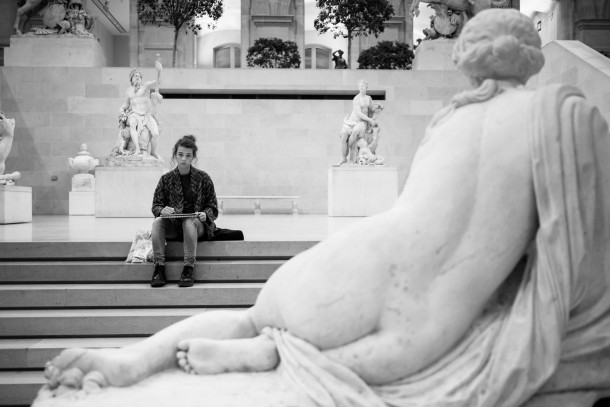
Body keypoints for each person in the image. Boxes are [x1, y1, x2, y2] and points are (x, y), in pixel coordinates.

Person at [40, 10, 610, 407]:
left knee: (254, 316)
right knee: (329, 347)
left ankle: (138, 361)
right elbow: (578, 256)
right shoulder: (564, 115)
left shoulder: (452, 117)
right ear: (532, 56)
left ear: (470, 59)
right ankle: (274, 357)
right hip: (419, 305)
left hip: (344, 259)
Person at [149, 135, 218, 288]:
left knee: (188, 222)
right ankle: (159, 267)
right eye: (180, 154)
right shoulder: (166, 179)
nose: (184, 159)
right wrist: (162, 210)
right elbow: (155, 206)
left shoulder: (203, 178)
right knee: (158, 222)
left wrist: (205, 214)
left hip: (196, 225)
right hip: (174, 225)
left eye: (188, 155)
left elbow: (213, 207)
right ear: (175, 155)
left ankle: (188, 268)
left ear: (193, 157)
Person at [120, 63, 163, 160]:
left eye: (139, 76)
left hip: (146, 115)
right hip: (134, 114)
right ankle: (137, 149)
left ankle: (153, 151)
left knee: (155, 133)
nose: (138, 78)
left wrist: (159, 71)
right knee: (132, 124)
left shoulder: (145, 87)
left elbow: (157, 82)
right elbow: (127, 104)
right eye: (135, 76)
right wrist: (122, 109)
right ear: (131, 79)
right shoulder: (129, 91)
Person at [336, 79, 376, 166]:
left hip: (361, 122)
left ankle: (349, 147)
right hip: (351, 121)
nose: (361, 88)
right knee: (343, 137)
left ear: (366, 87)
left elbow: (370, 110)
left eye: (362, 86)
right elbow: (359, 113)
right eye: (360, 86)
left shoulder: (369, 98)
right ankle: (344, 158)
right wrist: (370, 120)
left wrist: (372, 118)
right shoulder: (356, 99)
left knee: (355, 131)